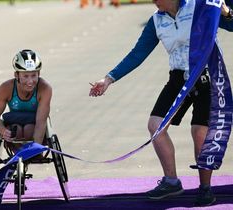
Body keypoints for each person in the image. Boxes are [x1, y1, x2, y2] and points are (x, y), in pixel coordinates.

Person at [89, 0, 233, 207]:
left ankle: (205, 188)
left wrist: (226, 11)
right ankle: (171, 181)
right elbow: (138, 53)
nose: (154, 1)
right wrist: (108, 79)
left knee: (199, 132)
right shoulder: (156, 20)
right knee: (155, 125)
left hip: (205, 75)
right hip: (178, 79)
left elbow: (231, 25)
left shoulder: (199, 7)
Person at [0, 49, 52, 152]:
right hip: (15, 123)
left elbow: (41, 123)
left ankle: (26, 154)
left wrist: (36, 149)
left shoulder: (45, 88)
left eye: (33, 75)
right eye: (25, 76)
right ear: (16, 75)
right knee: (16, 130)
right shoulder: (5, 88)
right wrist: (3, 130)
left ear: (39, 73)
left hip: (34, 124)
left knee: (28, 130)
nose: (30, 81)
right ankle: (19, 155)